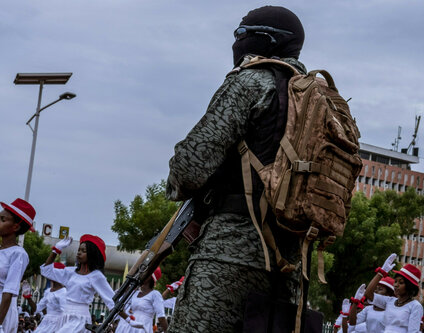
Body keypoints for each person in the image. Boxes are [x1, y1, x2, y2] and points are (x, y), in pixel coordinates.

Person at [165, 5, 308, 332]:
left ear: (267, 40)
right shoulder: (315, 100)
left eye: (241, 35)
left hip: (228, 253)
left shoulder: (253, 82)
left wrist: (180, 188)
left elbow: (189, 166)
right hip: (289, 266)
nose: (236, 43)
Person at [40, 235, 142, 333]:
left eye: (83, 251)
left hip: (79, 318)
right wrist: (56, 250)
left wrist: (128, 319)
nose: (79, 253)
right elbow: (45, 270)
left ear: (92, 255)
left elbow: (111, 301)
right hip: (64, 316)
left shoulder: (96, 276)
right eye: (79, 250)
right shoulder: (71, 272)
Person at [361, 253, 424, 333]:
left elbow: (413, 331)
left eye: (401, 283)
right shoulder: (389, 301)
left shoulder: (415, 306)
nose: (396, 285)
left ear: (409, 287)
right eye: (395, 281)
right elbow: (368, 294)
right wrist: (381, 272)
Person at [0, 198, 36, 333]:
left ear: (15, 227)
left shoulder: (18, 253)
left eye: (3, 220)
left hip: (3, 309)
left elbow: (8, 292)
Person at [115, 267, 168, 333]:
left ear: (150, 277)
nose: (141, 275)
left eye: (144, 273)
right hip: (129, 326)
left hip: (143, 328)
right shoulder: (134, 293)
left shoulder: (155, 294)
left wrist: (167, 330)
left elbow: (161, 317)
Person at [33, 262, 67, 333]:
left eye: (51, 272)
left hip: (57, 324)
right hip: (46, 322)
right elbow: (37, 308)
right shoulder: (48, 291)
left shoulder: (63, 292)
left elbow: (65, 313)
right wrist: (28, 297)